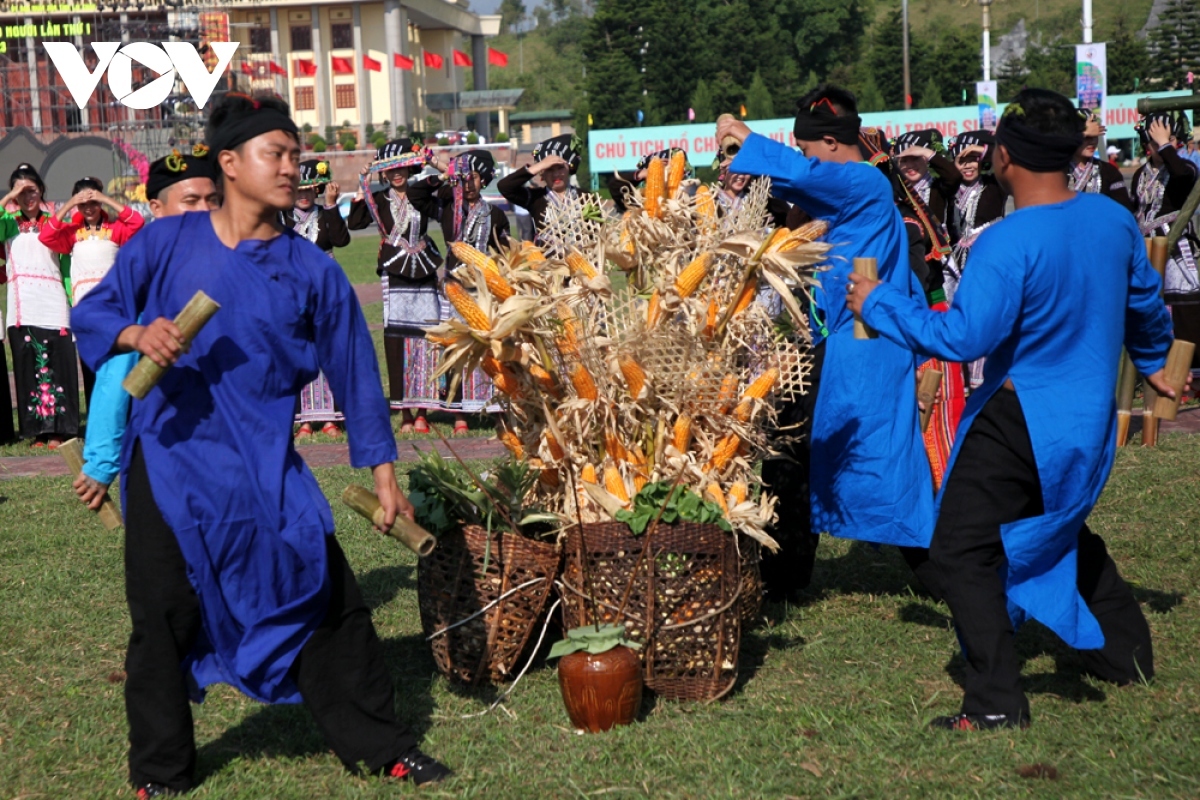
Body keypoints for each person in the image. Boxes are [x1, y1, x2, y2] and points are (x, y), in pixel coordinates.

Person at [71, 94, 451, 795]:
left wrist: (385, 472)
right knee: (161, 614)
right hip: (172, 462)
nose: (289, 167)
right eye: (274, 154)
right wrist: (137, 335)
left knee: (327, 598)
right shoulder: (164, 243)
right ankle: (160, 772)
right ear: (230, 163)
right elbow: (94, 313)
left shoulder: (313, 272)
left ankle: (382, 747)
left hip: (265, 465)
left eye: (295, 156)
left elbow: (357, 379)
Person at [846, 88, 1178, 731]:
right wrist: (1157, 358)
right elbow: (1142, 301)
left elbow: (962, 338)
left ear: (1003, 157)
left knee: (962, 550)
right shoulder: (1112, 220)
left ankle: (996, 699)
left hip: (1017, 417)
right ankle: (1127, 653)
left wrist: (877, 303)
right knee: (1051, 524)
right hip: (1087, 423)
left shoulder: (1008, 242)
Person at [717, 85, 934, 601]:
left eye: (809, 147)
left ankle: (784, 576)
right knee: (812, 448)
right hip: (850, 338)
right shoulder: (857, 191)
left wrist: (745, 135)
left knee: (814, 449)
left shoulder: (860, 182)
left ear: (833, 143)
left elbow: (807, 176)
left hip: (862, 344)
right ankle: (785, 573)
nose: (807, 156)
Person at [72, 149, 219, 514]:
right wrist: (102, 460)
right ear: (157, 207)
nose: (203, 211)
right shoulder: (145, 269)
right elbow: (116, 375)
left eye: (212, 200)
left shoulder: (241, 254)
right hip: (172, 439)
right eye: (190, 201)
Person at [347, 138, 446, 432]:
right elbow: (354, 223)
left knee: (427, 338)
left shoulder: (423, 192)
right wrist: (361, 182)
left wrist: (432, 160)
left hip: (425, 269)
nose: (397, 174)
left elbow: (450, 177)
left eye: (401, 167)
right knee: (398, 340)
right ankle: (404, 412)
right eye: (390, 170)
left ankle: (423, 411)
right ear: (384, 173)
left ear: (410, 167)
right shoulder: (378, 198)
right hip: (395, 270)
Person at [407, 148, 509, 430]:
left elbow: (504, 250)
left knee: (488, 348)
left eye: (474, 178)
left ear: (484, 180)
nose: (469, 183)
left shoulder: (496, 215)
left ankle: (493, 406)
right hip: (454, 290)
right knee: (455, 349)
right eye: (464, 178)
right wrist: (443, 177)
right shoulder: (448, 206)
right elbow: (416, 195)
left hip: (484, 294)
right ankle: (458, 414)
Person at [39, 175, 145, 406]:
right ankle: (97, 419)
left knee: (119, 363)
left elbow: (137, 223)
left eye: (93, 203)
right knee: (91, 368)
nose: (89, 208)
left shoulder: (116, 228)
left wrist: (104, 198)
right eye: (83, 204)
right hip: (85, 309)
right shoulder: (72, 233)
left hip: (114, 306)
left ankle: (124, 417)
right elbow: (46, 236)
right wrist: (68, 204)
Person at [1, 163, 78, 449]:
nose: (27, 196)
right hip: (23, 305)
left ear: (41, 190)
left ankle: (58, 430)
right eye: (21, 191)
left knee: (56, 365)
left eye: (31, 189)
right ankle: (37, 431)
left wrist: (72, 299)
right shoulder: (9, 224)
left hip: (53, 302)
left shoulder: (53, 221)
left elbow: (66, 260)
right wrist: (9, 197)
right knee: (28, 367)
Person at [285, 158, 351, 439]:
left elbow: (341, 239)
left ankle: (330, 418)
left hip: (325, 289)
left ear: (317, 190)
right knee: (299, 352)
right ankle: (304, 421)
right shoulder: (282, 218)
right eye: (298, 190)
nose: (303, 195)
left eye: (309, 190)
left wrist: (331, 204)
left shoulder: (325, 216)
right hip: (293, 290)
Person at [1132, 110, 1200, 369]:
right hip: (1146, 247)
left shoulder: (1186, 167)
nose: (1164, 144)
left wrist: (1164, 144)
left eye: (1170, 139)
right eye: (1158, 140)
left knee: (1183, 308)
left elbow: (1181, 175)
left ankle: (1191, 370)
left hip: (1175, 247)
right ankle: (1156, 368)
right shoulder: (1139, 174)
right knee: (1151, 308)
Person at [498, 133, 592, 242]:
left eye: (560, 168)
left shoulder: (585, 197)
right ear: (543, 173)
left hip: (582, 257)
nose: (556, 174)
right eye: (550, 169)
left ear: (569, 168)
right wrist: (539, 166)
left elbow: (597, 233)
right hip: (547, 258)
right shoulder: (536, 198)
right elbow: (505, 187)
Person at [1069, 110, 1136, 211]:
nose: (1092, 142)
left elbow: (1123, 211)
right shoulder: (1057, 170)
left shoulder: (1109, 171)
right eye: (1087, 137)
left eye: (1095, 136)